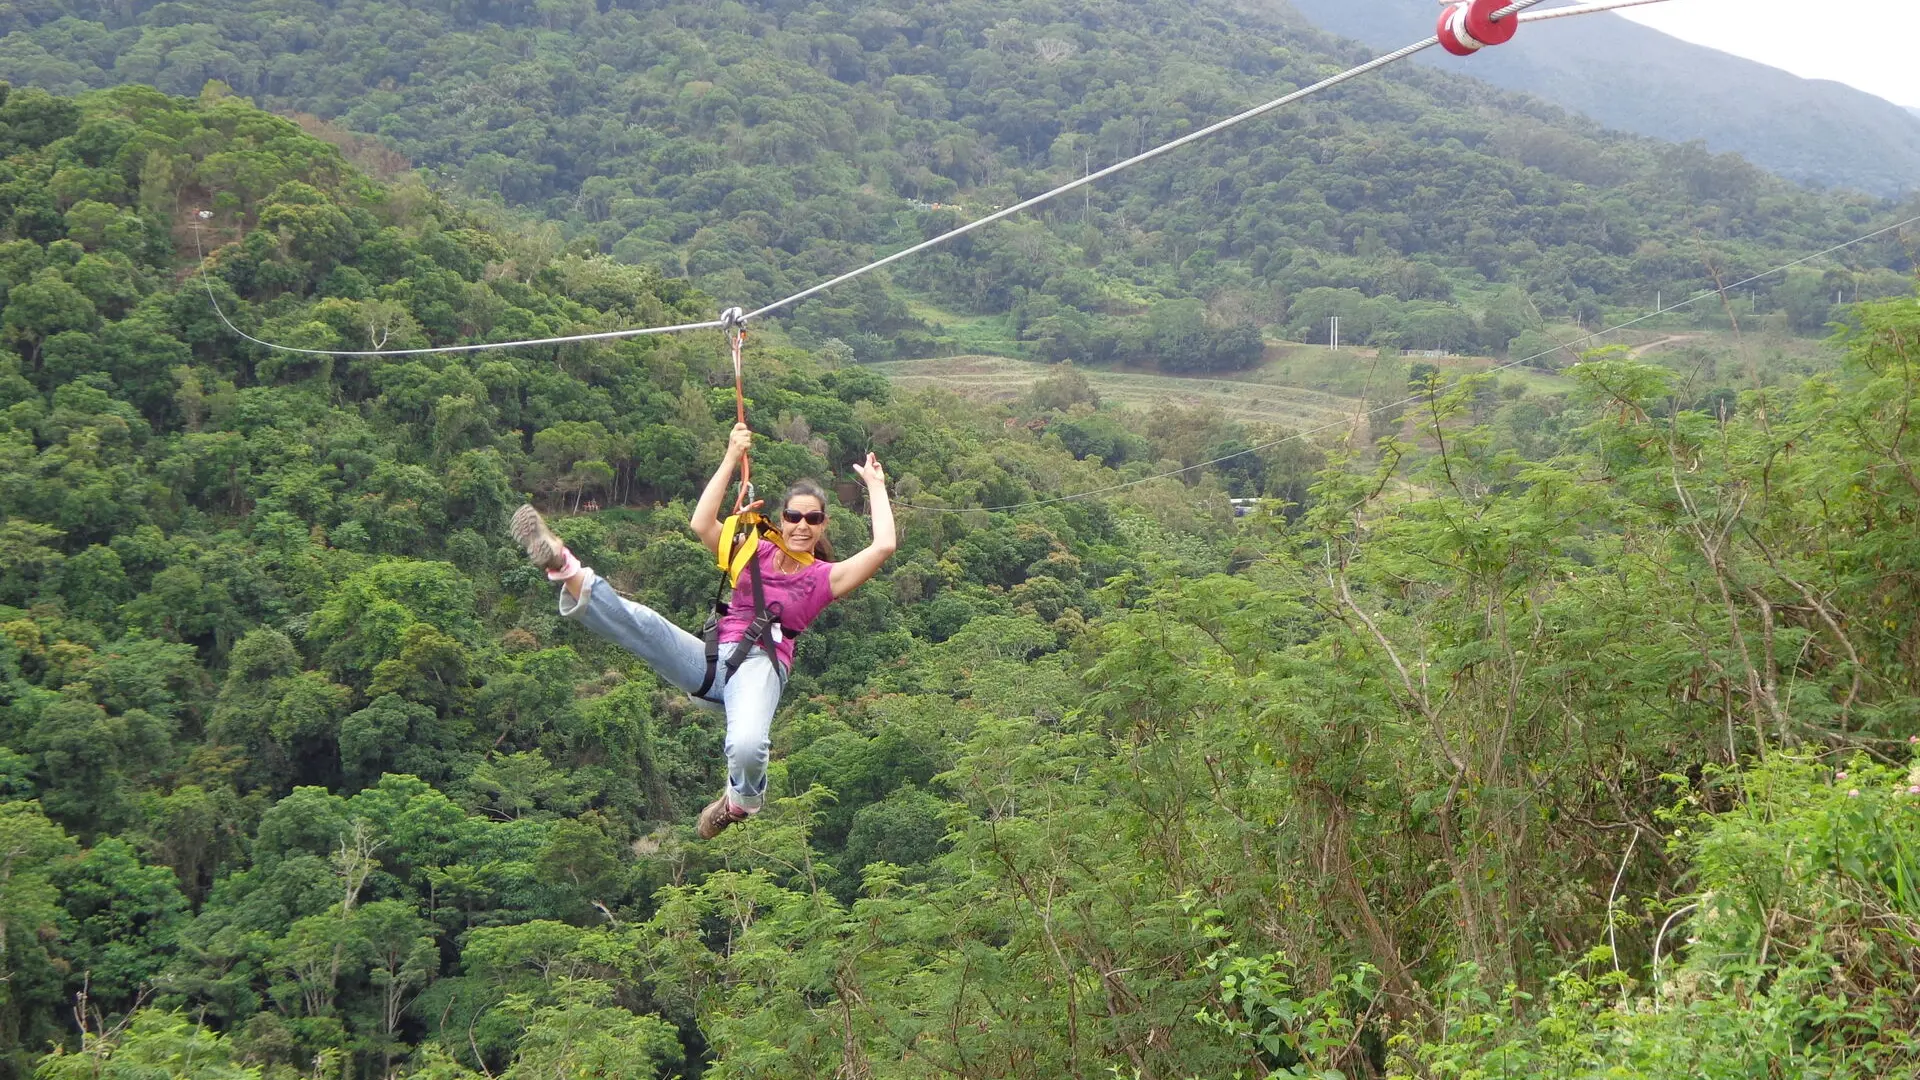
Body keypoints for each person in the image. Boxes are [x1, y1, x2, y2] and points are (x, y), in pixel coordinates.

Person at [511, 422, 897, 838]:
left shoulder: (826, 578)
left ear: (824, 525)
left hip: (759, 670)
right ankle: (562, 565)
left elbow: (883, 547)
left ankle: (741, 800)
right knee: (643, 623)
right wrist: (732, 455)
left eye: (813, 518)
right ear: (781, 520)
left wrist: (875, 486)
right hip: (712, 660)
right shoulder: (755, 548)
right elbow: (701, 523)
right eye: (793, 516)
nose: (802, 525)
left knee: (748, 745)